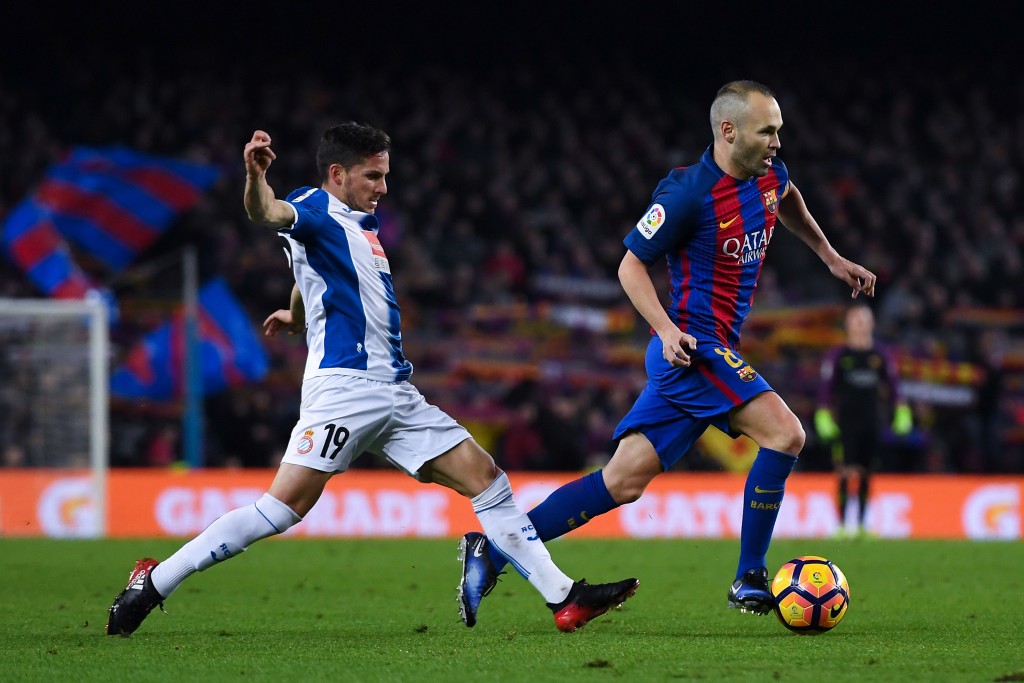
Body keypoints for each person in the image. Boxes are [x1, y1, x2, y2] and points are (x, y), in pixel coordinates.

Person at [105, 123, 638, 637]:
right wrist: (254, 177)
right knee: (279, 509)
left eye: (384, 176)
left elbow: (308, 270)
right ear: (337, 174)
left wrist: (297, 312)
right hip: (346, 390)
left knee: (487, 478)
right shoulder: (313, 208)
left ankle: (564, 599)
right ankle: (152, 583)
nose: (384, 187)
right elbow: (265, 212)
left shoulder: (357, 225)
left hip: (396, 394)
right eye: (373, 176)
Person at [458, 80, 878, 624]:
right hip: (692, 348)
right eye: (767, 130)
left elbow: (787, 199)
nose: (777, 141)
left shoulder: (770, 174)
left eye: (779, 130)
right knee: (787, 433)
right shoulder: (687, 194)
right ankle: (750, 574)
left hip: (709, 350)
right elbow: (629, 265)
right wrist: (665, 329)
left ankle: (492, 550)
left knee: (622, 481)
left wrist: (829, 256)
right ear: (728, 131)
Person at [815, 304, 910, 535]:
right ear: (848, 324)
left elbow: (894, 386)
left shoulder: (880, 355)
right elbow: (826, 388)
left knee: (867, 471)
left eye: (863, 319)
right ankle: (842, 525)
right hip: (846, 422)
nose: (859, 323)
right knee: (846, 471)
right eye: (855, 319)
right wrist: (823, 413)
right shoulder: (839, 355)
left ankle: (861, 524)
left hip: (872, 420)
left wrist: (901, 410)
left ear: (871, 324)